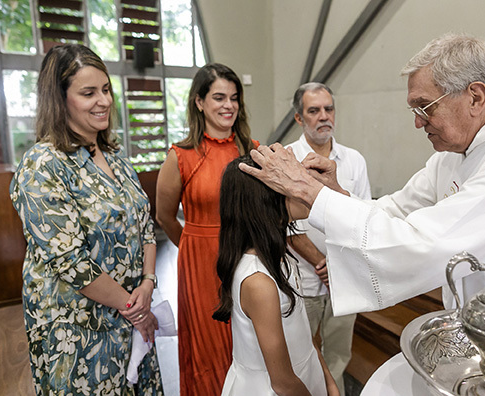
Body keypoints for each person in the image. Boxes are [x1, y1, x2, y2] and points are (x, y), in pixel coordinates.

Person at [242, 33, 485, 337]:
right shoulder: (457, 150)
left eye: (425, 107)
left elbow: (432, 243)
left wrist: (309, 191)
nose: (418, 123)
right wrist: (335, 195)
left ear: (475, 97)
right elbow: (396, 209)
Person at [9, 44, 162, 395]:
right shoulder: (43, 165)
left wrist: (148, 284)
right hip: (78, 328)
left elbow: (145, 227)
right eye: (88, 93)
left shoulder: (115, 156)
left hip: (132, 315)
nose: (104, 101)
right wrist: (133, 307)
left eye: (106, 90)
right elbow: (70, 262)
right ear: (59, 100)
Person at [154, 62, 257, 395]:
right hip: (200, 263)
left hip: (245, 255)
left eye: (234, 97)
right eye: (218, 97)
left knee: (247, 340)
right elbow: (164, 215)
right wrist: (192, 247)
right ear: (199, 102)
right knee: (208, 348)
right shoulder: (181, 155)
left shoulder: (252, 149)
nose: (228, 105)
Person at [214, 157, 338, 396]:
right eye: (288, 185)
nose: (302, 188)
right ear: (266, 203)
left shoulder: (281, 257)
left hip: (305, 374)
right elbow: (282, 382)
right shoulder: (258, 282)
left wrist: (328, 380)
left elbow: (304, 332)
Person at [283, 82, 369, 394]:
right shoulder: (286, 159)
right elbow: (284, 224)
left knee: (338, 351)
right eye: (313, 110)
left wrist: (339, 265)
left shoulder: (354, 160)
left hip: (344, 278)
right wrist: (321, 262)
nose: (323, 116)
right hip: (303, 277)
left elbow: (362, 215)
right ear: (298, 118)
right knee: (299, 352)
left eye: (328, 109)